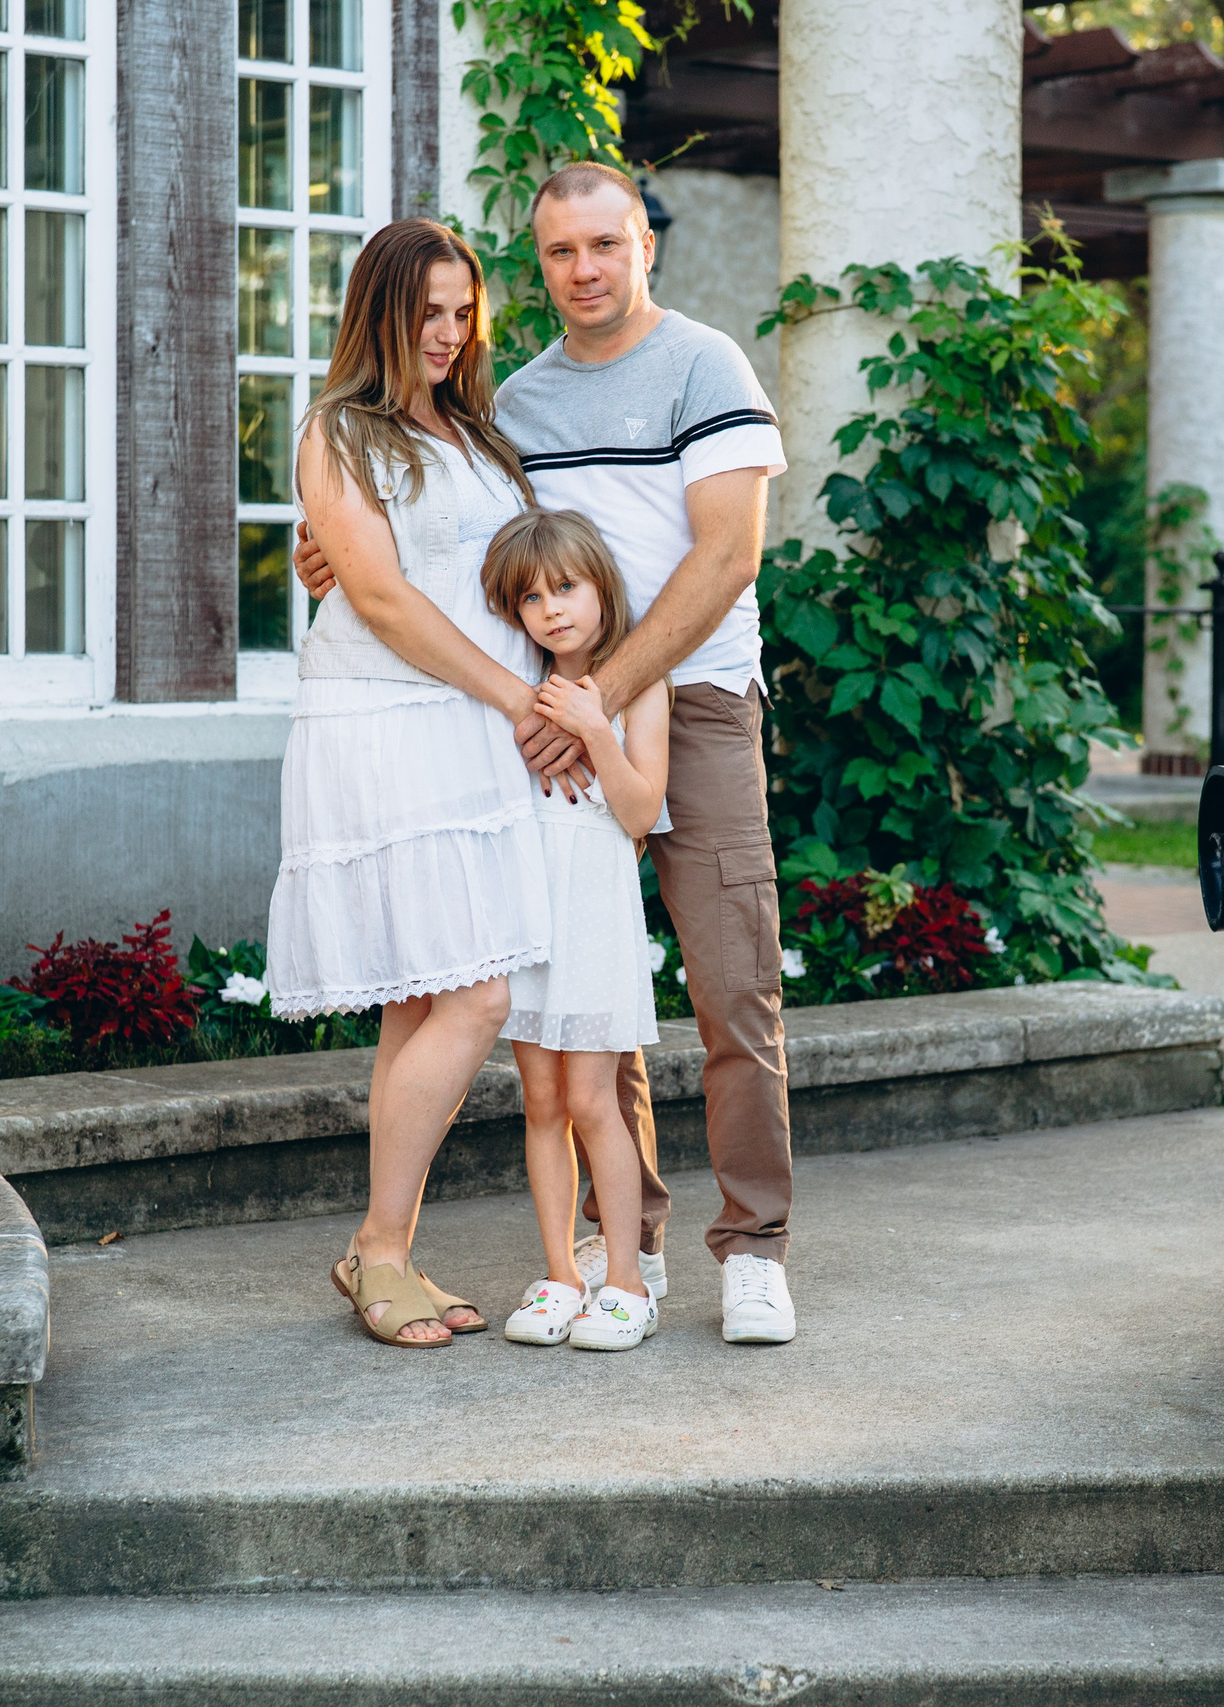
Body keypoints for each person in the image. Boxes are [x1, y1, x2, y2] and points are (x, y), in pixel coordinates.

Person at [301, 161, 798, 1344]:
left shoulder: (705, 365)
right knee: (585, 998)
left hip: (682, 701)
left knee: (733, 984)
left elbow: (727, 557)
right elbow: (461, 545)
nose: (584, 270)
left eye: (606, 245)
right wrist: (333, 559)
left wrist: (595, 696)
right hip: (535, 724)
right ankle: (630, 1246)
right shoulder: (509, 407)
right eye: (561, 251)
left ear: (644, 246)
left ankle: (754, 1248)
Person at [267, 219, 550, 1349]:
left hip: (469, 724)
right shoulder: (339, 429)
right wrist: (518, 697)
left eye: (462, 312)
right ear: (379, 311)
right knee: (477, 996)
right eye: (427, 311)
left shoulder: (476, 433)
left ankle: (381, 1249)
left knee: (422, 997)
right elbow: (381, 598)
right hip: (385, 723)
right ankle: (380, 1248)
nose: (447, 332)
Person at [476, 509, 673, 1352]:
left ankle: (627, 1281)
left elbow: (641, 812)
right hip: (531, 912)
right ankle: (562, 1274)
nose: (551, 608)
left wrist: (596, 726)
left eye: (565, 587)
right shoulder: (518, 690)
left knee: (594, 1099)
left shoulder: (641, 686)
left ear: (601, 587)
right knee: (543, 1101)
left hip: (593, 913)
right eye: (531, 598)